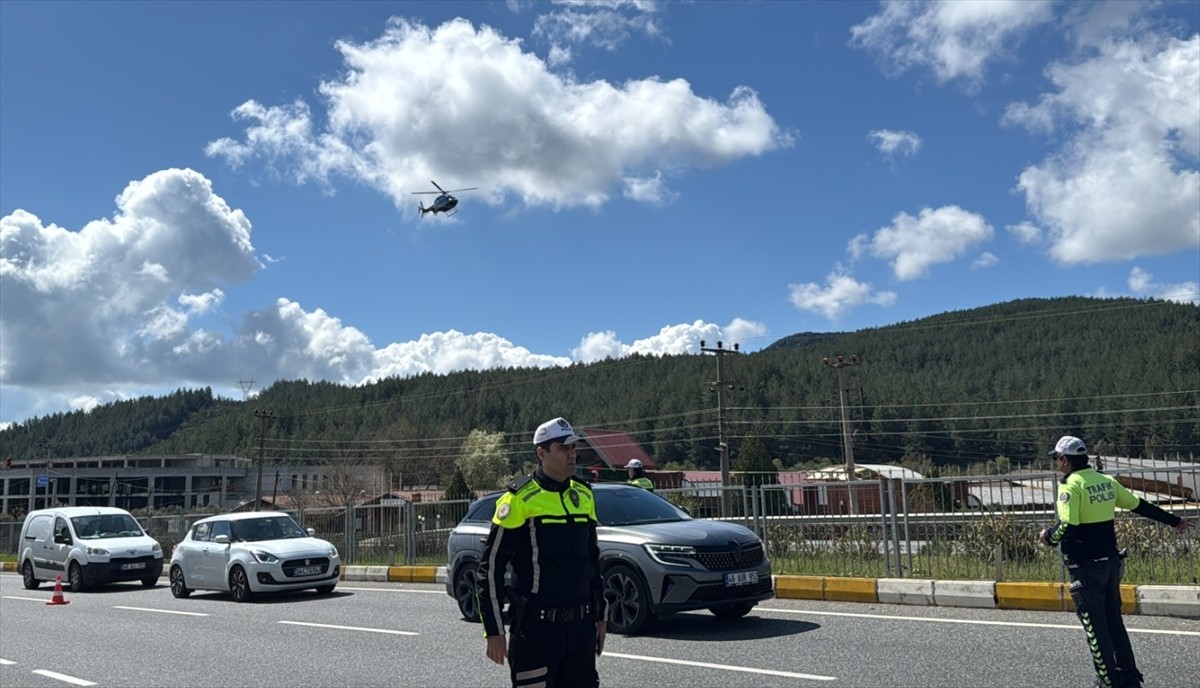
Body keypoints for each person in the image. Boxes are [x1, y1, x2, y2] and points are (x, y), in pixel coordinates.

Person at [1039, 436, 1192, 688]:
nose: (1056, 463)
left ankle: (1108, 680)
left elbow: (1068, 525)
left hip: (1085, 567)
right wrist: (1174, 521)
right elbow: (1139, 505)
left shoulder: (1071, 486)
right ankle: (1129, 677)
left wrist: (1048, 537)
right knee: (1114, 623)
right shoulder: (1105, 481)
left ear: (1065, 460)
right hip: (1110, 564)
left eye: (1056, 458)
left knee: (1095, 628)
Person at [477, 417, 607, 688]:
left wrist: (600, 616)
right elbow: (490, 567)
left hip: (581, 628)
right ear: (541, 453)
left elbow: (592, 563)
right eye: (563, 448)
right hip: (537, 630)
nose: (571, 454)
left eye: (573, 447)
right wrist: (494, 629)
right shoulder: (518, 498)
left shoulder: (584, 494)